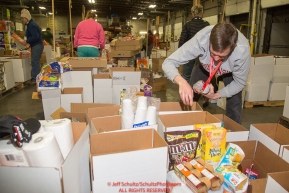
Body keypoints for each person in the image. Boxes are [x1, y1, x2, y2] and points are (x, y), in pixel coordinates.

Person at [162, 22, 250, 124]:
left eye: (221, 56)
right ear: (209, 40)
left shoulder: (242, 51)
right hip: (204, 65)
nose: (216, 59)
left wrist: (216, 95)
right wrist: (182, 82)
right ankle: (185, 126)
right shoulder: (201, 39)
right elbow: (168, 62)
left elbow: (239, 83)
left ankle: (234, 134)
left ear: (234, 46)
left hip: (230, 72)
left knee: (235, 103)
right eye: (213, 53)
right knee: (189, 96)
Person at [178, 4, 211, 107]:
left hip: (189, 54)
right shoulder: (207, 25)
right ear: (201, 13)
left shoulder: (188, 25)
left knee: (187, 76)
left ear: (192, 14)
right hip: (202, 56)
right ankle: (205, 98)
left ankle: (186, 97)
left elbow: (182, 41)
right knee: (203, 77)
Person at [20, 9, 44, 83]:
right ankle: (36, 77)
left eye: (23, 18)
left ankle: (35, 79)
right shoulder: (31, 24)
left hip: (37, 45)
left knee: (35, 62)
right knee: (35, 61)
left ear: (26, 18)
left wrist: (27, 41)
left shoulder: (31, 25)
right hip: (36, 45)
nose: (22, 20)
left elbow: (35, 36)